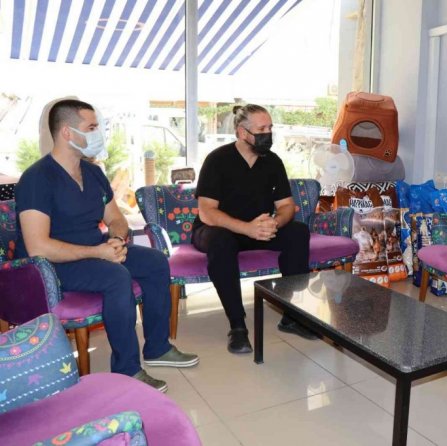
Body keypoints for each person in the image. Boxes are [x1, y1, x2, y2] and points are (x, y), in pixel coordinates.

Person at [15, 99, 198, 393]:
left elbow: (115, 218)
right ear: (67, 133)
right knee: (116, 276)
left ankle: (158, 347)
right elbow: (38, 247)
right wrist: (98, 253)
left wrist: (116, 240)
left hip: (94, 250)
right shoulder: (37, 178)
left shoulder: (93, 173)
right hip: (49, 265)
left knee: (154, 262)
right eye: (91, 128)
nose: (98, 133)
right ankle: (127, 369)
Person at [192, 104, 315, 354]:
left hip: (257, 229)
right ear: (242, 132)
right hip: (218, 228)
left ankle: (290, 315)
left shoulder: (272, 162)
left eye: (270, 128)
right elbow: (207, 211)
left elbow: (286, 206)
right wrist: (246, 228)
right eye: (261, 129)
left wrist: (275, 223)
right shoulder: (217, 160)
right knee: (222, 242)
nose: (267, 134)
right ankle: (237, 326)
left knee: (298, 232)